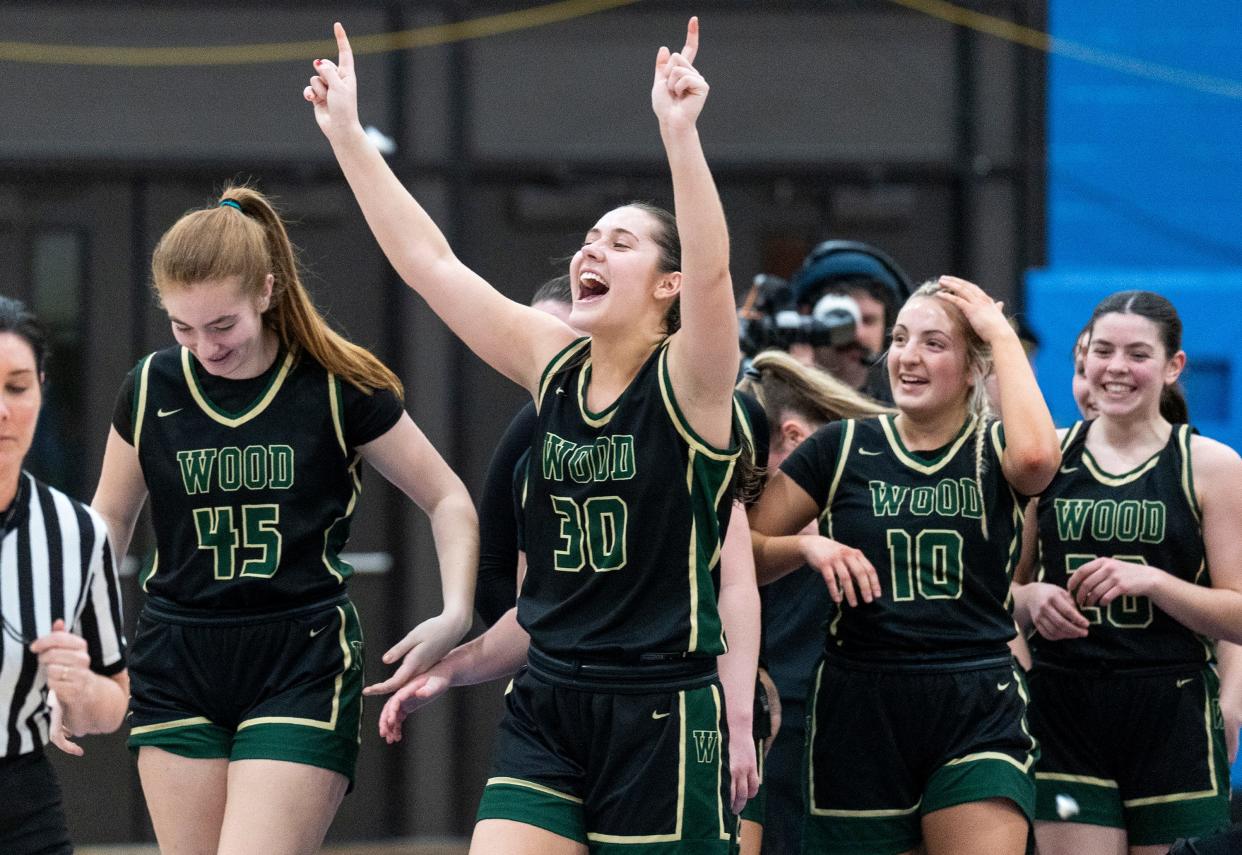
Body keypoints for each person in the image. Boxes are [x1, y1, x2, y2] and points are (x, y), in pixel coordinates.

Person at [305, 18, 760, 852]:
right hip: (549, 698)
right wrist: (348, 139)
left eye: (620, 242)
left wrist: (679, 134)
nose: (592, 249)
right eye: (590, 238)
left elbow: (714, 270)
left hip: (661, 706)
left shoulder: (694, 380)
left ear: (667, 286)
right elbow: (431, 264)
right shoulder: (554, 363)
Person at [91, 186, 478, 854]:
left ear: (266, 292)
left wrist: (455, 611)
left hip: (299, 654)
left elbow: (448, 498)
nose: (205, 346)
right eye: (183, 328)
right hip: (176, 652)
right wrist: (88, 641)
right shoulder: (152, 386)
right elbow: (108, 520)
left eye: (222, 326)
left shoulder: (335, 385)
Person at [751, 276, 1060, 855]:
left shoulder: (996, 449)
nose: (907, 356)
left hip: (976, 696)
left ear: (973, 369)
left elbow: (1041, 459)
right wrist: (806, 548)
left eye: (934, 343)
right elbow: (744, 551)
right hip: (860, 697)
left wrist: (997, 329)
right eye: (898, 338)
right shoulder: (839, 447)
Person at [1010, 290, 1242, 854]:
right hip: (1064, 712)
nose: (1116, 368)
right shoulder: (1046, 459)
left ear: (1173, 367)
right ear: (1084, 360)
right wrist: (1029, 598)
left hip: (1173, 715)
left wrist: (1155, 582)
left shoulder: (1210, 466)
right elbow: (997, 589)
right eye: (1104, 351)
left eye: (1138, 354)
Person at [734, 349, 891, 854]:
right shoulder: (769, 538)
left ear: (797, 440)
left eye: (752, 472)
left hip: (838, 740)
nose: (745, 491)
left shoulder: (860, 519)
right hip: (782, 740)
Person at [0, 296, 128, 855]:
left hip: (20, 797)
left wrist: (80, 688)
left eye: (17, 386)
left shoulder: (76, 533)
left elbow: (112, 703)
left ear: (41, 390)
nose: (1, 409)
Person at [475, 274, 573, 628]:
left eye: (561, 343)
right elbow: (490, 572)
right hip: (556, 661)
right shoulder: (532, 422)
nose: (544, 360)